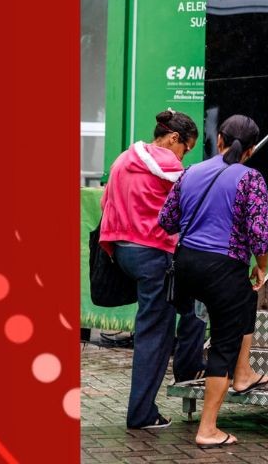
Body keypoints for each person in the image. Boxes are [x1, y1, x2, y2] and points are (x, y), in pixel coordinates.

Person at [158, 115, 268, 450]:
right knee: (224, 342)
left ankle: (243, 373)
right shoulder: (251, 178)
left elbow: (166, 220)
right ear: (250, 150)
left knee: (244, 304)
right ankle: (208, 429)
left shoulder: (191, 171)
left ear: (219, 139)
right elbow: (259, 234)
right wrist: (261, 266)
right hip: (224, 268)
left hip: (187, 264)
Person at [97, 110, 207, 430]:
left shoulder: (122, 159)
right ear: (174, 138)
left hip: (123, 253)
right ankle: (142, 413)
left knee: (191, 304)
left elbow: (106, 204)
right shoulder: (170, 167)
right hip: (154, 255)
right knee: (154, 336)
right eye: (186, 147)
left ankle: (188, 368)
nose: (185, 154)